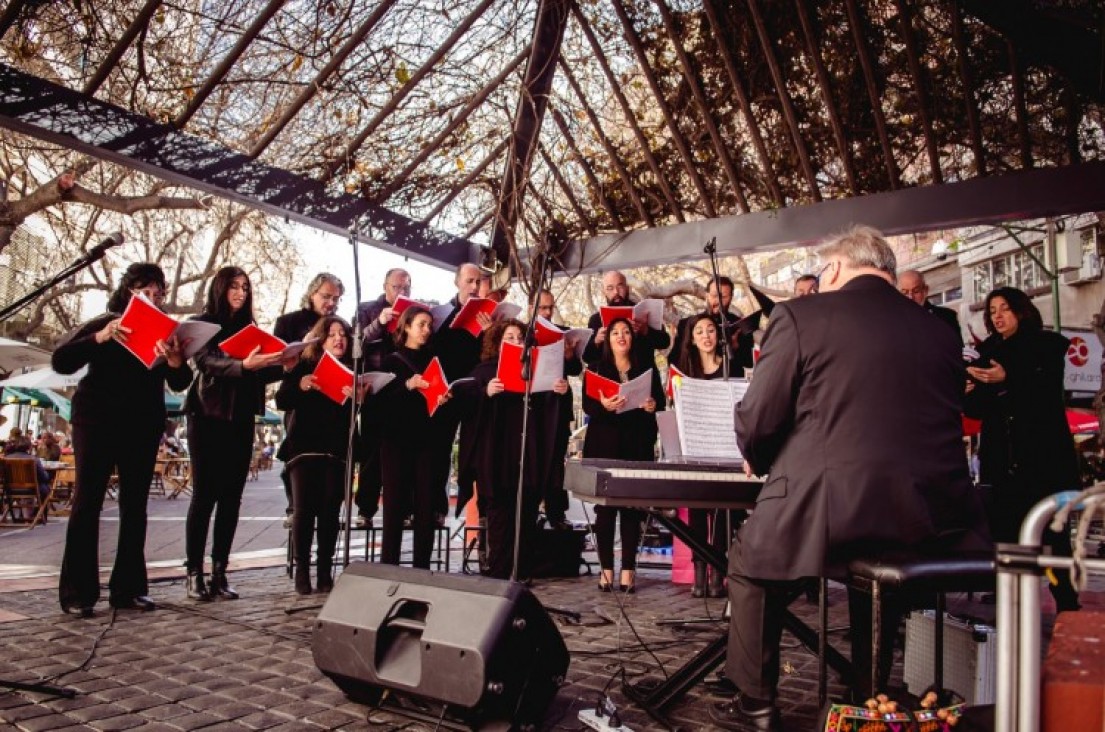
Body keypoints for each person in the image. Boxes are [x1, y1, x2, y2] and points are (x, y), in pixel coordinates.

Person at [714, 226, 989, 730]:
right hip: (926, 514)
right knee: (876, 575)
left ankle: (756, 704)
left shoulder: (801, 314)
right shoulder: (939, 332)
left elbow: (761, 417)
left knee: (751, 564)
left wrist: (759, 454)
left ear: (836, 269)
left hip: (829, 504)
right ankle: (869, 688)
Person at [53, 263, 194, 617]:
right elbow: (61, 361)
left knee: (135, 507)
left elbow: (180, 383)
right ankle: (77, 593)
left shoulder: (165, 332)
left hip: (142, 423)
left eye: (157, 294)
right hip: (96, 419)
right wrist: (101, 337)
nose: (152, 298)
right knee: (88, 502)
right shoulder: (106, 321)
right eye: (144, 292)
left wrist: (176, 360)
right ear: (128, 291)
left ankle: (127, 589)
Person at [964, 286, 1081, 611]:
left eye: (1004, 309)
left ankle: (1066, 603)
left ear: (1020, 310)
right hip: (1003, 461)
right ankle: (1011, 601)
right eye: (992, 311)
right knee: (1006, 536)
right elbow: (976, 409)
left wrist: (1007, 378)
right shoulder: (987, 350)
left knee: (1055, 540)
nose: (997, 316)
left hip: (1043, 461)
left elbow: (1045, 396)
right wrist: (971, 388)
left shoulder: (1046, 346)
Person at [183, 267, 289, 601]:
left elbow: (256, 375)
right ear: (220, 288)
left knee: (231, 498)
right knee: (203, 497)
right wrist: (244, 366)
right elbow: (206, 362)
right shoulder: (201, 323)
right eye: (234, 287)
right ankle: (193, 573)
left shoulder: (251, 329)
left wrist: (281, 364)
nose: (240, 293)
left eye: (245, 287)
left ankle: (219, 571)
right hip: (207, 415)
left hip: (241, 418)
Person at [460, 319, 569, 579]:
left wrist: (559, 392)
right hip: (497, 455)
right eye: (510, 337)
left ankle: (520, 574)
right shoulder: (483, 370)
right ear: (497, 342)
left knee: (526, 515)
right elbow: (465, 405)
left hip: (527, 452)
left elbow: (550, 412)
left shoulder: (534, 369)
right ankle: (498, 574)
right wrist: (485, 391)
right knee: (500, 518)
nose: (517, 342)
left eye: (521, 338)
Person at [275, 315, 366, 595]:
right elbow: (282, 399)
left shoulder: (352, 370)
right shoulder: (304, 364)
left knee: (330, 512)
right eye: (332, 334)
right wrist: (300, 384)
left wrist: (359, 399)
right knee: (304, 511)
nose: (339, 339)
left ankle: (325, 569)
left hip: (336, 450)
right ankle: (302, 568)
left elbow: (358, 416)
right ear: (320, 339)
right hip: (304, 448)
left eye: (343, 334)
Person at [582, 317, 665, 593]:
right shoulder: (596, 369)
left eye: (626, 332)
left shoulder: (647, 368)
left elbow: (660, 403)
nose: (621, 336)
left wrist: (651, 405)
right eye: (615, 332)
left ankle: (628, 571)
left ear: (632, 338)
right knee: (604, 512)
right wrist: (604, 405)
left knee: (631, 511)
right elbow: (587, 406)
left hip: (636, 445)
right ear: (608, 339)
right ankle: (606, 570)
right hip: (604, 445)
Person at [377, 306, 455, 568]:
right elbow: (381, 403)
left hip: (427, 441)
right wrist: (407, 385)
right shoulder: (391, 360)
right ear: (406, 326)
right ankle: (390, 566)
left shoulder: (435, 359)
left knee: (426, 506)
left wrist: (444, 397)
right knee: (394, 508)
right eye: (421, 324)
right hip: (396, 442)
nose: (426, 330)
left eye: (429, 325)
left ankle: (422, 567)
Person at [273, 272, 344, 529]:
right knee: (298, 462)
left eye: (336, 298)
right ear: (311, 294)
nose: (331, 303)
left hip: (332, 406)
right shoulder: (289, 322)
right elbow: (275, 366)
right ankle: (294, 505)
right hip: (300, 400)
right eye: (326, 296)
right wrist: (300, 350)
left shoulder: (339, 326)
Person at [674, 313, 730, 598]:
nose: (706, 335)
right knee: (696, 511)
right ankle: (699, 574)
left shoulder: (730, 367)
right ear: (692, 339)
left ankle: (718, 573)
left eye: (710, 330)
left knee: (722, 511)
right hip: (695, 447)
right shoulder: (685, 371)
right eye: (700, 332)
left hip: (723, 446)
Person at [352, 268, 411, 528]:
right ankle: (365, 510)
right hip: (375, 390)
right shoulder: (367, 309)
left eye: (407, 287)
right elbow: (356, 344)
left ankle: (404, 509)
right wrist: (380, 322)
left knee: (402, 450)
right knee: (371, 452)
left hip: (402, 389)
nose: (402, 292)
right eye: (397, 287)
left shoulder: (411, 312)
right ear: (385, 286)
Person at [531, 289, 583, 531]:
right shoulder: (522, 334)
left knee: (555, 463)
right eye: (542, 308)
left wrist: (571, 354)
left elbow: (574, 370)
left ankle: (556, 513)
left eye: (550, 307)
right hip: (531, 409)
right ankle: (529, 512)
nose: (547, 312)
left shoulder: (562, 333)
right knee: (531, 461)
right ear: (532, 307)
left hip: (557, 406)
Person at [582, 271, 670, 367]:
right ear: (604, 292)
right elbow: (587, 358)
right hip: (610, 378)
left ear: (628, 288)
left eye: (620, 286)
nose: (616, 292)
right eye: (610, 288)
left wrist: (646, 330)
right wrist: (596, 341)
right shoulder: (596, 320)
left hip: (645, 375)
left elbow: (665, 342)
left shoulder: (644, 310)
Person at [898, 269, 962, 343]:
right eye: (905, 293)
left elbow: (957, 351)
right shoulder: (894, 323)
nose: (910, 297)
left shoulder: (946, 317)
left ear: (925, 291)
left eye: (916, 291)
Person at [5, 434, 52, 506]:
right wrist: (47, 474)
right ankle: (41, 513)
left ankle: (21, 512)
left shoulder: (5, 459)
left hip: (10, 489)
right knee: (45, 488)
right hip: (32, 489)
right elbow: (43, 477)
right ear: (29, 447)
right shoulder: (34, 459)